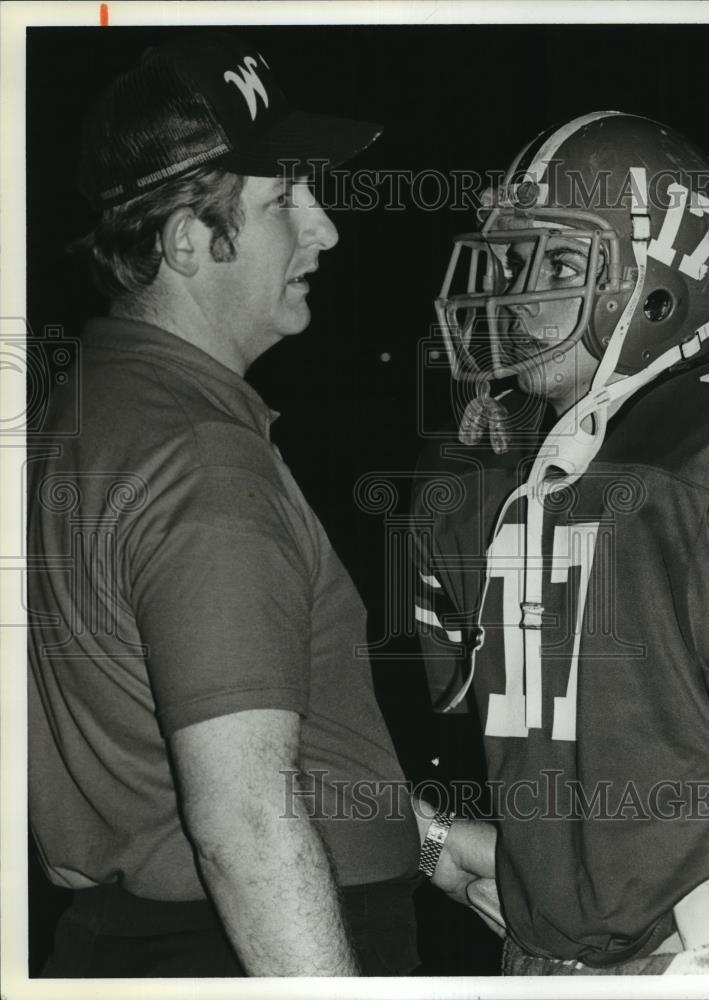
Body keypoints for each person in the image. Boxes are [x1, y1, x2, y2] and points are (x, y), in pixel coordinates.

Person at [27, 30, 495, 979]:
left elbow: (185, 747)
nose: (323, 228)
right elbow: (243, 821)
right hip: (243, 945)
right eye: (285, 199)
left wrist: (430, 845)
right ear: (187, 241)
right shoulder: (199, 457)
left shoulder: (77, 416)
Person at [412, 111, 709, 974]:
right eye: (511, 261)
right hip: (537, 954)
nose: (514, 295)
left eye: (558, 264)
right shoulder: (487, 481)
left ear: (656, 285)